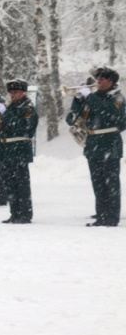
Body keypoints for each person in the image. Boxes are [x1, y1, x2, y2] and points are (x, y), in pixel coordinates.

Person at [66, 67, 125, 227]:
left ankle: (111, 217)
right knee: (98, 183)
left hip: (109, 144)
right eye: (98, 79)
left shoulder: (117, 97)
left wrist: (89, 96)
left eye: (103, 79)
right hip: (93, 145)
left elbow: (110, 114)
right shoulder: (92, 98)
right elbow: (71, 119)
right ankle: (101, 215)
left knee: (110, 183)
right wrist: (77, 100)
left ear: (111, 82)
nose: (98, 82)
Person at [0, 79, 38, 224]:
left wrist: (6, 115)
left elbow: (24, 127)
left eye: (16, 92)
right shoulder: (10, 108)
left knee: (21, 184)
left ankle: (25, 214)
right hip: (7, 150)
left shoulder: (28, 108)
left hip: (19, 150)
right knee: (10, 185)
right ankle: (14, 213)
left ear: (23, 92)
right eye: (11, 92)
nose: (13, 95)